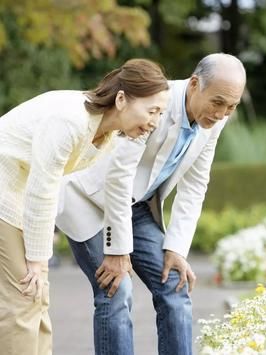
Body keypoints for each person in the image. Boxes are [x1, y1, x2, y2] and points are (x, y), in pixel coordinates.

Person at [56, 53, 246, 355]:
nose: (223, 113)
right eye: (218, 102)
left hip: (138, 207)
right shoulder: (153, 100)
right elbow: (118, 178)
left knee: (175, 283)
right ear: (195, 84)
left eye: (232, 107)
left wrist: (176, 248)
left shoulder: (214, 119)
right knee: (116, 290)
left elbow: (196, 183)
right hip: (90, 201)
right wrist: (118, 251)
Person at [0, 58, 170, 355]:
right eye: (152, 111)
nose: (154, 122)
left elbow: (117, 187)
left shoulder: (108, 134)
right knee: (24, 298)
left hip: (20, 195)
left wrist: (119, 247)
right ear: (121, 99)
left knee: (37, 299)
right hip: (7, 192)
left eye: (160, 113)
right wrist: (39, 261)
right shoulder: (70, 121)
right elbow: (43, 189)